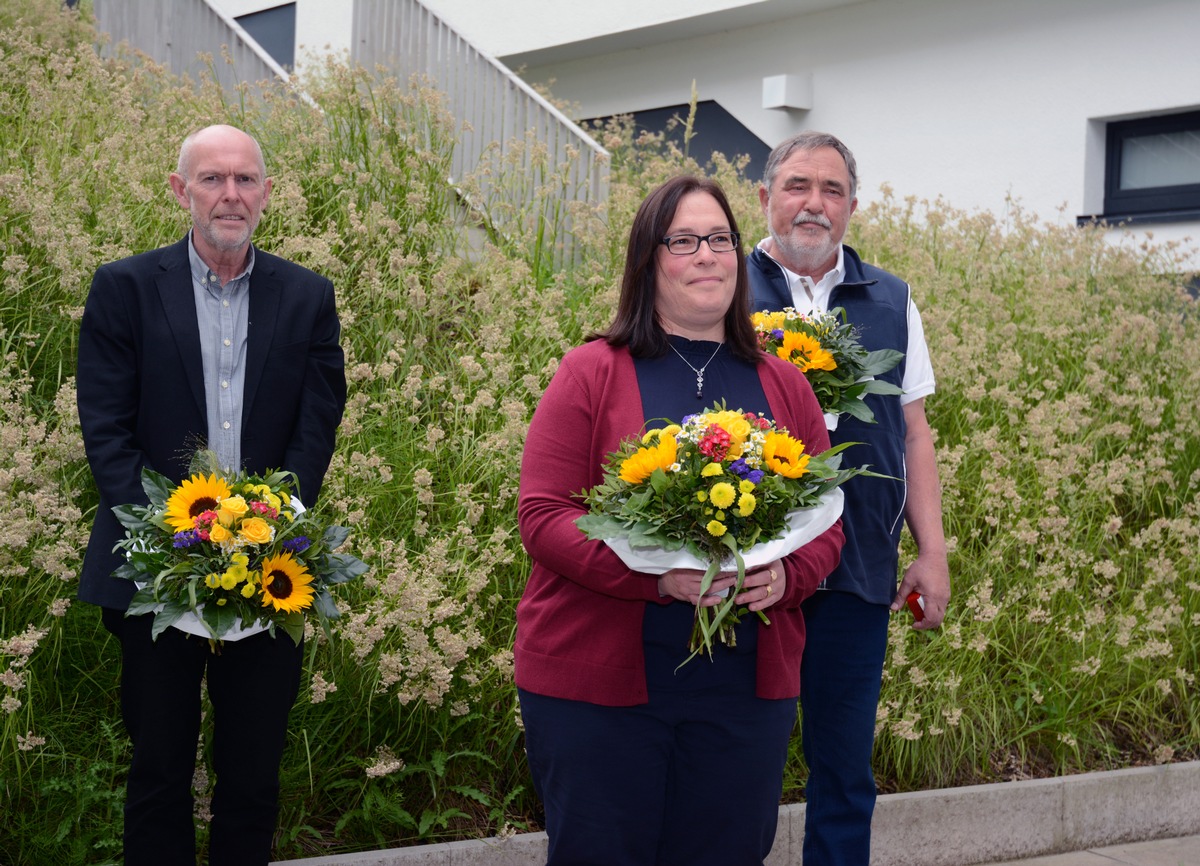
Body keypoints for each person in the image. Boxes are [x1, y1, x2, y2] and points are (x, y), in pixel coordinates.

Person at [514, 174, 845, 866]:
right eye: (685, 241)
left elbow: (827, 522)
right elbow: (543, 518)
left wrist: (788, 575)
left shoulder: (785, 383)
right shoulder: (591, 371)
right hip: (599, 687)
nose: (707, 256)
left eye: (720, 239)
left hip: (743, 693)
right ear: (648, 260)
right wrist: (656, 578)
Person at [76, 124, 347, 865]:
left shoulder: (307, 296)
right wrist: (180, 537)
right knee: (159, 770)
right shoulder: (124, 288)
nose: (231, 195)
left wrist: (271, 522)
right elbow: (106, 431)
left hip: (270, 573)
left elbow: (316, 427)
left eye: (246, 179)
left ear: (266, 191)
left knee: (253, 774)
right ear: (180, 191)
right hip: (151, 571)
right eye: (213, 179)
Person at [747, 130, 951, 865]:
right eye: (798, 186)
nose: (814, 204)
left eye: (832, 191)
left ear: (853, 208)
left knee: (843, 774)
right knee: (736, 774)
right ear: (766, 198)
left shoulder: (891, 299)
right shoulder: (721, 287)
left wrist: (931, 552)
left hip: (857, 571)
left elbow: (914, 432)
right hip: (748, 573)